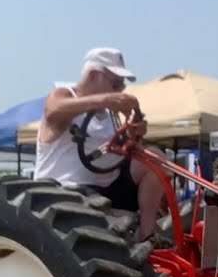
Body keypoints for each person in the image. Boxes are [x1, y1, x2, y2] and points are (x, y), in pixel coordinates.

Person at [32, 47, 166, 242]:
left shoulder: (111, 114)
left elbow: (124, 153)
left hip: (107, 187)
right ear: (94, 75)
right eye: (116, 84)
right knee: (97, 206)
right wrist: (105, 100)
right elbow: (53, 111)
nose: (120, 91)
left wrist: (135, 136)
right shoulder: (64, 95)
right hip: (66, 190)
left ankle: (147, 235)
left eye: (121, 86)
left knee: (154, 158)